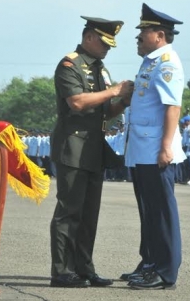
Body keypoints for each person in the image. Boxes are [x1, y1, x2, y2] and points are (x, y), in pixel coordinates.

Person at [49, 16, 133, 288]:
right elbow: (77, 102)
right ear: (88, 38)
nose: (108, 48)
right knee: (69, 212)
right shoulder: (69, 65)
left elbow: (105, 112)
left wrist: (122, 101)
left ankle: (84, 268)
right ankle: (62, 271)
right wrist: (113, 91)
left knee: (89, 215)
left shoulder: (100, 69)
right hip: (73, 147)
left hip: (94, 149)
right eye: (104, 42)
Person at [122, 3, 185, 290]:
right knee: (148, 211)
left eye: (145, 31)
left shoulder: (167, 62)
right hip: (142, 150)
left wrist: (166, 147)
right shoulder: (150, 61)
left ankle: (165, 271)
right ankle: (149, 263)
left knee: (162, 212)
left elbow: (172, 107)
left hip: (156, 151)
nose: (141, 36)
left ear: (159, 35)